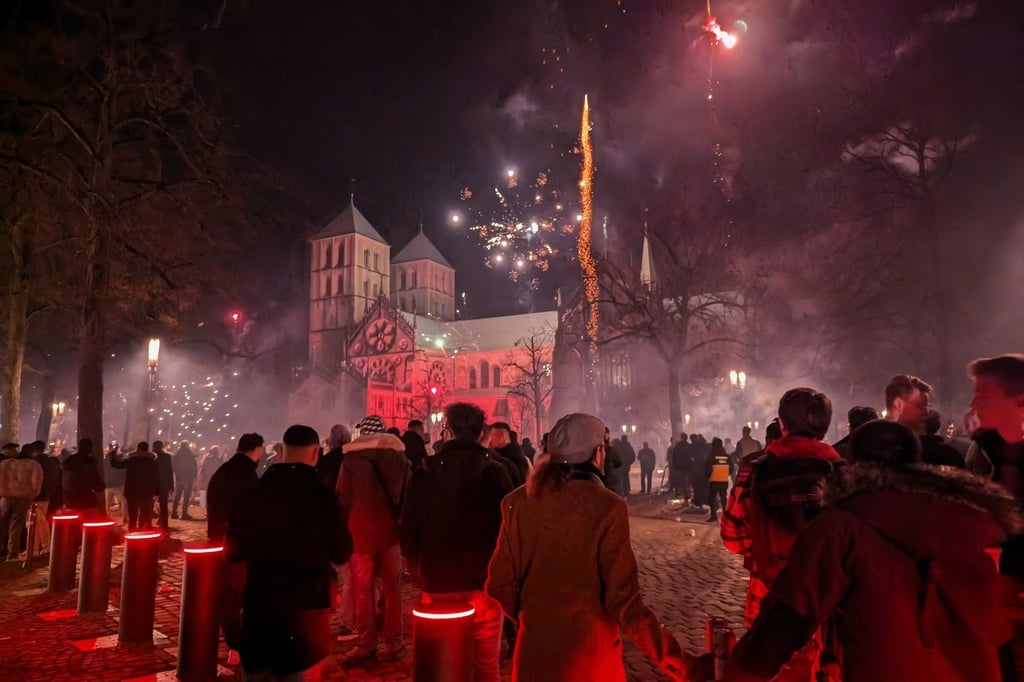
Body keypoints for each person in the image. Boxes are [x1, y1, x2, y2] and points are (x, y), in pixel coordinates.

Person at [724, 419, 1019, 682]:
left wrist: (736, 674)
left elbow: (786, 620)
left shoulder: (840, 527)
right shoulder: (975, 526)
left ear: (851, 465)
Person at [486, 413, 691, 682]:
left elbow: (498, 583)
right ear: (598, 454)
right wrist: (677, 661)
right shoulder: (607, 506)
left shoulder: (517, 503)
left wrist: (535, 619)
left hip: (532, 658)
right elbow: (624, 603)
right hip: (590, 661)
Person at [720, 387, 840, 682]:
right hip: (829, 605)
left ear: (782, 424)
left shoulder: (755, 471)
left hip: (769, 599)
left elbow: (731, 537)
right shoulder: (843, 474)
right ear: (824, 427)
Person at [227, 424, 351, 681]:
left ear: (281, 452)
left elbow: (233, 551)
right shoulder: (323, 496)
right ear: (315, 453)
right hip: (304, 618)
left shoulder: (255, 491)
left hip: (259, 612)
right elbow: (341, 552)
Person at [401, 402, 515, 681]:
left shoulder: (424, 472)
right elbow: (509, 529)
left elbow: (408, 530)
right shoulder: (496, 471)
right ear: (480, 434)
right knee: (486, 664)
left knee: (441, 663)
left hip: (438, 583)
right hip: (483, 582)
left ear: (448, 432)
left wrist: (417, 570)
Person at [962, 354, 1024, 680]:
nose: (973, 404)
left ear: (1020, 401)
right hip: (989, 607)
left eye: (983, 396)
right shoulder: (981, 454)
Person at [336, 415, 411, 664]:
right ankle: (394, 642)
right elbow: (409, 497)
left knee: (363, 589)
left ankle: (366, 644)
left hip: (360, 534)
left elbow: (342, 498)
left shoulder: (351, 460)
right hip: (390, 533)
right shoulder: (400, 459)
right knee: (392, 588)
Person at [208, 433, 264, 542]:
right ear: (257, 449)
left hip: (218, 532)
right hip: (235, 538)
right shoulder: (245, 472)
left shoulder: (225, 468)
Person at [0, 444, 43, 560]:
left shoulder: (5, 464)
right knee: (16, 526)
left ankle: (2, 550)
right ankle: (12, 553)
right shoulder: (33, 465)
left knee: (1, 523)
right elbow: (36, 482)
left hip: (5, 496)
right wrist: (32, 495)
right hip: (23, 498)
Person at [109, 442, 159, 531]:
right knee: (144, 511)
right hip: (146, 491)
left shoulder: (131, 460)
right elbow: (156, 478)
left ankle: (132, 528)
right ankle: (141, 527)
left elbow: (116, 464)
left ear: (137, 449)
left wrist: (113, 452)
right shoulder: (152, 462)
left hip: (132, 490)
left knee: (133, 512)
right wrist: (156, 491)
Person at [62, 439, 105, 518]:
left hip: (71, 499)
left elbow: (65, 479)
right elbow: (94, 480)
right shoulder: (89, 462)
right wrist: (100, 486)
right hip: (87, 499)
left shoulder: (69, 461)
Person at [32, 441, 62, 555]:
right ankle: (35, 548)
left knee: (37, 522)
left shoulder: (36, 462)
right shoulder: (51, 462)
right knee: (39, 522)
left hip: (37, 496)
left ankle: (41, 547)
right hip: (47, 495)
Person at [705, 437, 733, 523]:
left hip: (714, 480)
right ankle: (726, 515)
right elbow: (732, 469)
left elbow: (707, 468)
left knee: (712, 498)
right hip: (724, 480)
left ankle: (714, 516)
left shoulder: (711, 455)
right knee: (723, 498)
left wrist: (707, 476)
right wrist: (726, 474)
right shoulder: (727, 456)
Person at [315, 424, 350, 490]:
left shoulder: (330, 457)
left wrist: (320, 450)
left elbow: (319, 470)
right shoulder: (351, 454)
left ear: (333, 438)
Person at [172, 441, 197, 520]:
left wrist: (177, 475)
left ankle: (174, 513)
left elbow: (174, 467)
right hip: (188, 479)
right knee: (186, 497)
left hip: (179, 479)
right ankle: (184, 514)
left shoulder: (176, 455)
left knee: (177, 496)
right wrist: (193, 476)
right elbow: (194, 467)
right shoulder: (190, 455)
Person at [153, 441, 174, 533]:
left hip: (152, 483)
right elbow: (169, 471)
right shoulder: (166, 456)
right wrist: (171, 485)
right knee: (163, 505)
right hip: (164, 483)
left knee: (149, 504)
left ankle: (147, 524)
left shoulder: (151, 456)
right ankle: (164, 525)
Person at [105, 442, 127, 522]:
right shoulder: (120, 458)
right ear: (118, 448)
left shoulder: (105, 459)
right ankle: (124, 518)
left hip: (107, 484)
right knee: (124, 501)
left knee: (107, 503)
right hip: (118, 484)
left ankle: (106, 518)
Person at [197, 446, 223, 511]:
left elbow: (202, 469)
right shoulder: (219, 459)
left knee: (208, 496)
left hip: (207, 480)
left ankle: (208, 510)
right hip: (216, 480)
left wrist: (201, 479)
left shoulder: (205, 458)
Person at [671, 433, 692, 500]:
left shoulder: (678, 446)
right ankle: (688, 494)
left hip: (680, 467)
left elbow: (674, 457)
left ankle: (685, 495)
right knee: (687, 481)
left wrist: (675, 465)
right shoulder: (688, 446)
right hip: (687, 466)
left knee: (682, 481)